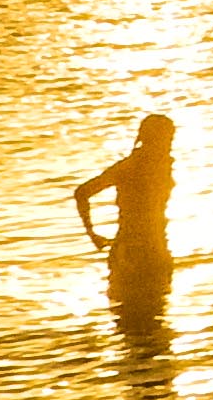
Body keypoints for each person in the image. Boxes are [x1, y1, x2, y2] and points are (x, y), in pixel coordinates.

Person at [73, 115, 177, 284]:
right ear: (151, 139)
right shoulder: (129, 168)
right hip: (130, 255)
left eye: (171, 139)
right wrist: (92, 234)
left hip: (157, 249)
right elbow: (82, 192)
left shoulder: (162, 165)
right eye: (166, 139)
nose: (169, 145)